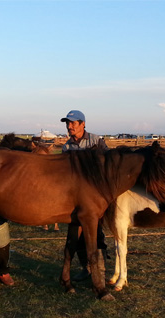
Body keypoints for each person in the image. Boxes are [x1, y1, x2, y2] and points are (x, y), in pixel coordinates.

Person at [60, 110, 108, 281]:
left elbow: (107, 166)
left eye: (73, 123)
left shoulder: (96, 140)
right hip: (74, 198)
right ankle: (86, 268)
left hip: (95, 196)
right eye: (67, 123)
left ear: (83, 124)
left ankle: (100, 272)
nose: (69, 126)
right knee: (76, 235)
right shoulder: (67, 147)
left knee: (96, 233)